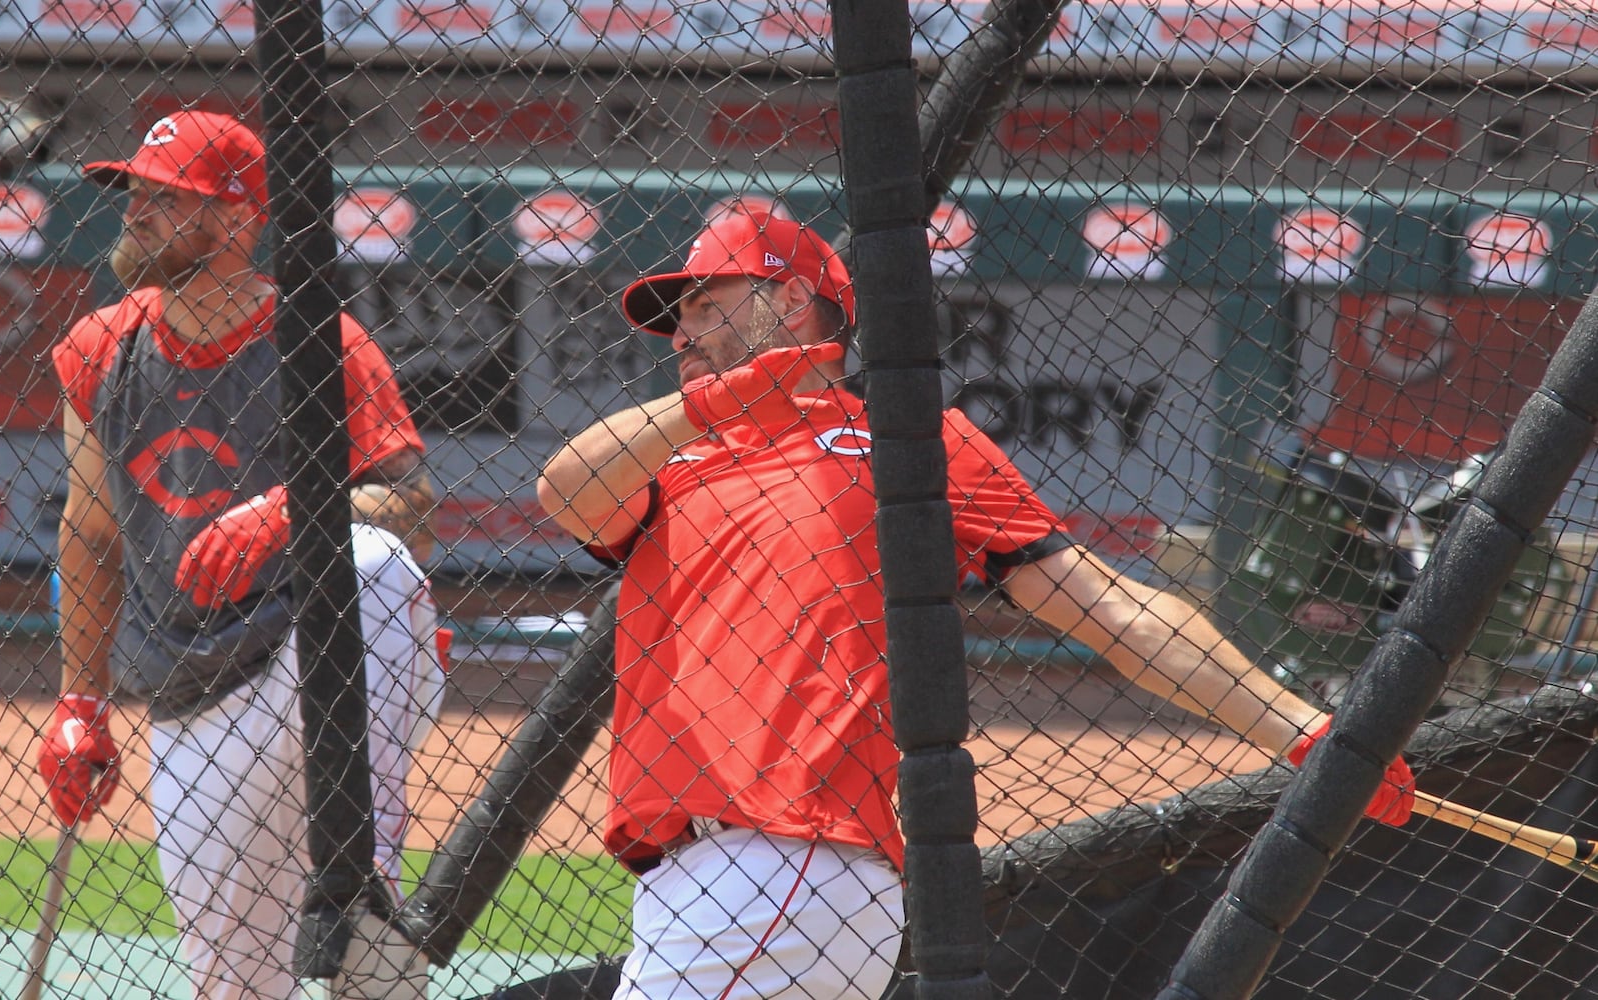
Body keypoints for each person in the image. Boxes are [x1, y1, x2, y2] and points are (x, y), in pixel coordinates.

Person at [534, 211, 1417, 1000]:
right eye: (676, 314)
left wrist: (1302, 730)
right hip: (709, 873)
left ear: (791, 296)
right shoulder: (671, 455)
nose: (680, 331)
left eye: (703, 302)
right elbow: (566, 492)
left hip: (783, 854)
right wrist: (720, 400)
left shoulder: (914, 441)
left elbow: (1108, 607)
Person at [39, 110, 447, 1000]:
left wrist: (298, 512)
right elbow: (91, 532)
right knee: (232, 988)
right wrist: (80, 699)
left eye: (165, 197)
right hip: (192, 696)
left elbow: (411, 503)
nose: (135, 211)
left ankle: (361, 882)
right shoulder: (98, 348)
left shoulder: (319, 341)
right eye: (134, 192)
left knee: (375, 562)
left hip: (310, 656)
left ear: (235, 221)